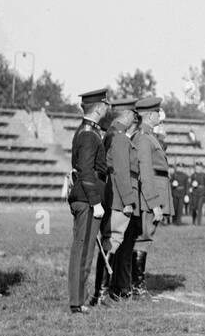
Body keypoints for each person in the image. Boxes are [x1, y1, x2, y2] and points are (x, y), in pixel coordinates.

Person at [93, 95, 139, 305]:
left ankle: (103, 291)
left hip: (113, 195)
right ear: (128, 115)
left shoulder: (112, 134)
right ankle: (101, 293)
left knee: (110, 242)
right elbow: (121, 171)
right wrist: (129, 200)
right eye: (134, 115)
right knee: (112, 242)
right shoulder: (120, 138)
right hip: (119, 198)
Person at [67, 87, 110, 314]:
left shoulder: (89, 131)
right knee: (82, 250)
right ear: (99, 107)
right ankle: (77, 301)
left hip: (86, 197)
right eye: (106, 104)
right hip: (86, 199)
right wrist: (95, 201)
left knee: (85, 250)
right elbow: (85, 169)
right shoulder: (88, 133)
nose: (107, 108)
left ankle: (79, 299)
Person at [132, 96, 168, 296]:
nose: (159, 116)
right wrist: (154, 203)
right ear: (149, 115)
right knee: (142, 239)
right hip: (149, 197)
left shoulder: (147, 136)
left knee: (143, 238)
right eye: (157, 113)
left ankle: (135, 284)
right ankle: (137, 286)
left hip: (151, 195)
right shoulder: (144, 138)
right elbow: (146, 171)